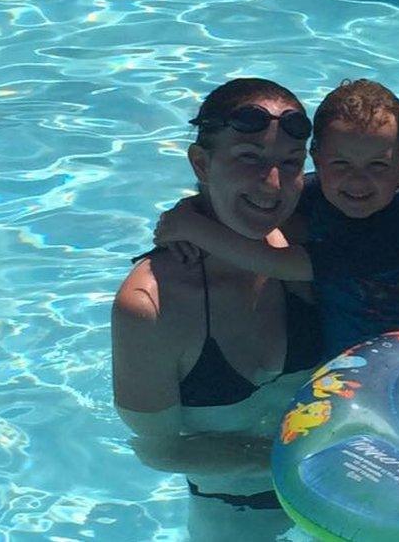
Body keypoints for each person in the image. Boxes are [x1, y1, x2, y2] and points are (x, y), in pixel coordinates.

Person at [111, 78, 318, 540]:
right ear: (201, 163)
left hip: (341, 499)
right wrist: (291, 458)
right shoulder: (151, 307)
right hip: (234, 516)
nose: (274, 185)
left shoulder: (311, 246)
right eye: (250, 158)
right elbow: (158, 449)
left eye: (290, 164)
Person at [154, 79, 399, 359]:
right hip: (332, 358)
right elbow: (249, 198)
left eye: (377, 165)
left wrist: (193, 228)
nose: (357, 180)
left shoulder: (386, 235)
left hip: (387, 362)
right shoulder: (318, 191)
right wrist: (193, 207)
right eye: (340, 163)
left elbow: (277, 263)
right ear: (317, 160)